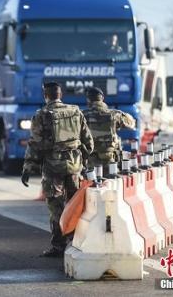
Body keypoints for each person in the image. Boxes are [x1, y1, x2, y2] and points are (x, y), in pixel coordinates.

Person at [21, 82, 94, 257]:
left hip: (53, 168)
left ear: (45, 95)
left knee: (56, 206)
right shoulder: (76, 111)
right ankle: (78, 241)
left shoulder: (41, 115)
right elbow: (88, 142)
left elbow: (35, 144)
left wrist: (27, 168)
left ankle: (59, 246)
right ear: (60, 95)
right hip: (74, 166)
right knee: (76, 204)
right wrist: (82, 157)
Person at [82, 87, 136, 171]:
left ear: (88, 100)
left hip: (90, 163)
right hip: (111, 162)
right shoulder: (114, 114)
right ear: (102, 99)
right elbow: (132, 123)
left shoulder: (82, 116)